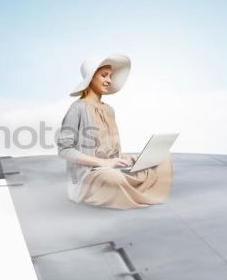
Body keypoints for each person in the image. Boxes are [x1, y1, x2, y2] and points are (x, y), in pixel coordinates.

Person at [56, 54, 173, 209]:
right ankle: (132, 190)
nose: (109, 80)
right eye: (104, 75)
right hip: (91, 175)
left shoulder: (109, 110)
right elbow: (64, 151)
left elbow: (109, 150)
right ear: (90, 78)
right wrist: (104, 163)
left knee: (162, 159)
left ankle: (128, 190)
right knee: (112, 177)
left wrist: (125, 158)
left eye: (110, 76)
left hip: (112, 168)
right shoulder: (77, 108)